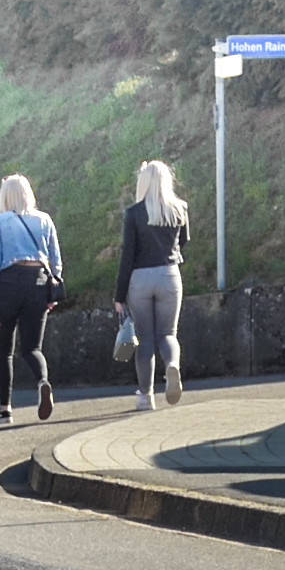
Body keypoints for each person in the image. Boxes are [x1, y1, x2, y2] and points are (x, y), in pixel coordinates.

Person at [0, 174, 62, 424]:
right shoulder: (44, 219)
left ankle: (5, 410)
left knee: (4, 349)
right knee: (32, 347)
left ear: (5, 196)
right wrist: (51, 290)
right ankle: (43, 381)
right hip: (38, 281)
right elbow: (56, 261)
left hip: (8, 284)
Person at [115, 160, 190, 411]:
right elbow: (184, 242)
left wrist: (119, 295)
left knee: (145, 339)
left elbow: (127, 256)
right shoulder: (180, 209)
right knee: (168, 334)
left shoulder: (133, 213)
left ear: (143, 182)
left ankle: (146, 397)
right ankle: (172, 366)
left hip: (140, 279)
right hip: (169, 274)